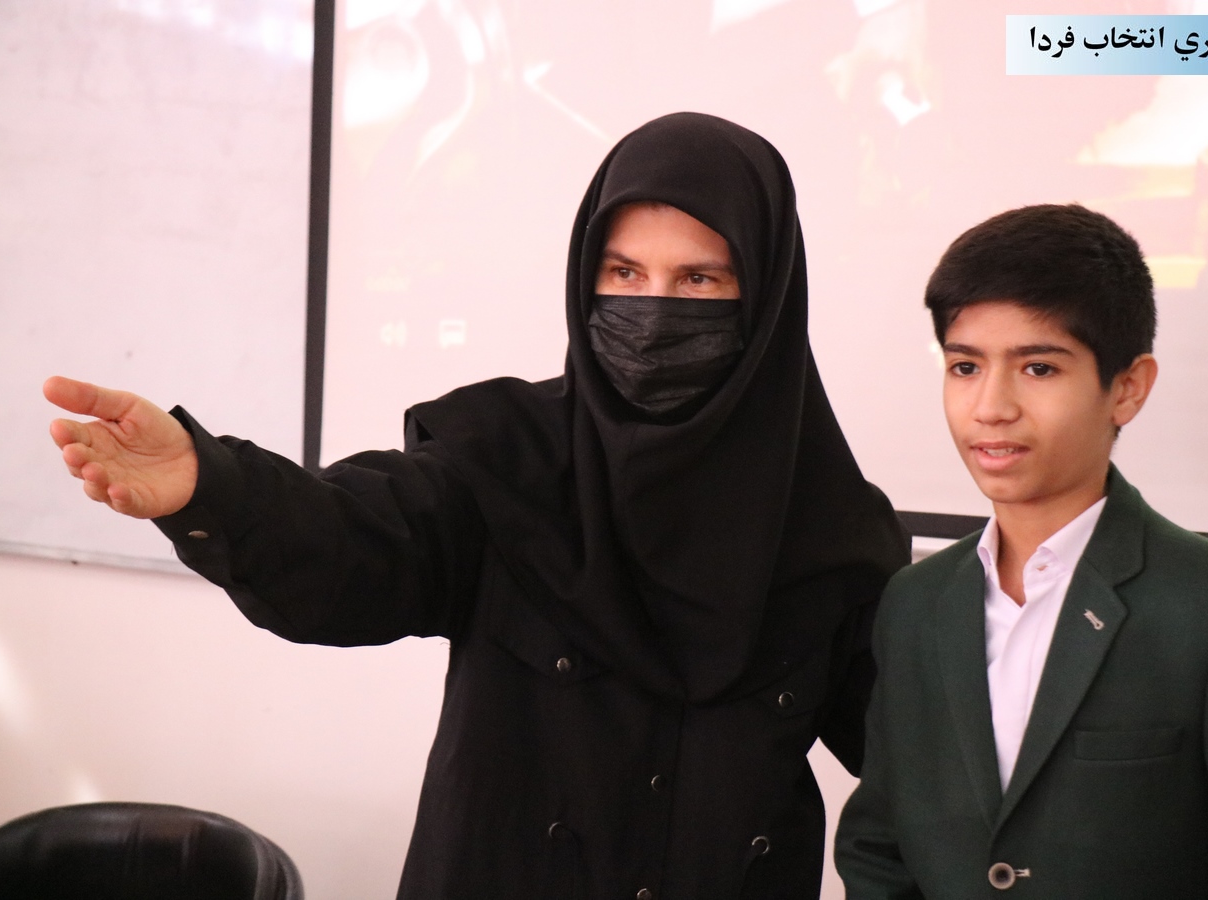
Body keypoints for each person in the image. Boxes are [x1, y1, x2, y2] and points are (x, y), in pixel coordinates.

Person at [45, 112, 910, 899]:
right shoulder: (502, 459)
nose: (652, 310)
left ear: (765, 299)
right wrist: (212, 486)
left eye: (698, 280)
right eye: (623, 272)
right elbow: (353, 542)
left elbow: (926, 767)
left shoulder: (834, 530)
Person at [834, 204, 1208, 898]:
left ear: (1127, 388)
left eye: (1039, 368)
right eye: (965, 366)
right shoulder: (915, 602)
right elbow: (877, 846)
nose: (991, 406)